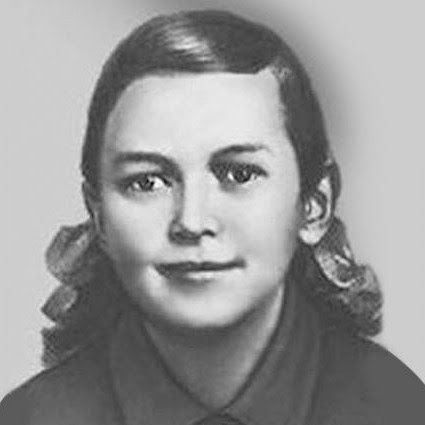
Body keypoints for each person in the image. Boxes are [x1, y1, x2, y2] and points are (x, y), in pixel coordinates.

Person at [1, 9, 424, 425]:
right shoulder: (30, 418)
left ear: (314, 205)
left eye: (239, 174)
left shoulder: (401, 408)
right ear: (99, 218)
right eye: (147, 182)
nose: (192, 221)